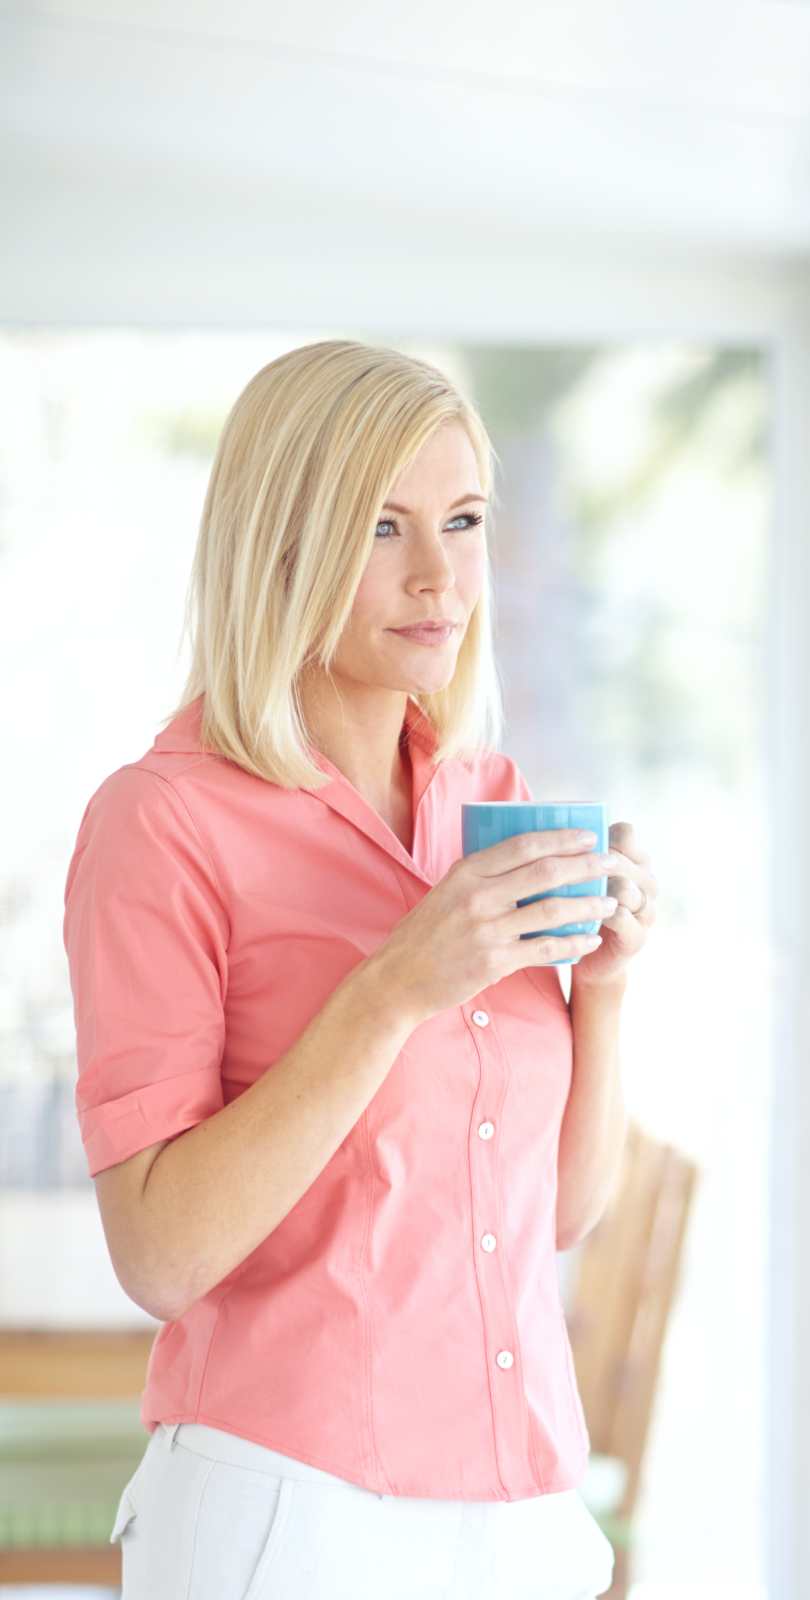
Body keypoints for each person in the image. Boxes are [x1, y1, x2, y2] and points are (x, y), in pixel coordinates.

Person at [62, 339, 658, 1599]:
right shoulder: (161, 824)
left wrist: (601, 991)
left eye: (461, 519)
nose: (439, 575)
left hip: (523, 1510)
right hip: (293, 1514)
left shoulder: (494, 801)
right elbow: (160, 1257)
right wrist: (391, 989)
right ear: (278, 547)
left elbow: (552, 1215)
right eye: (382, 527)